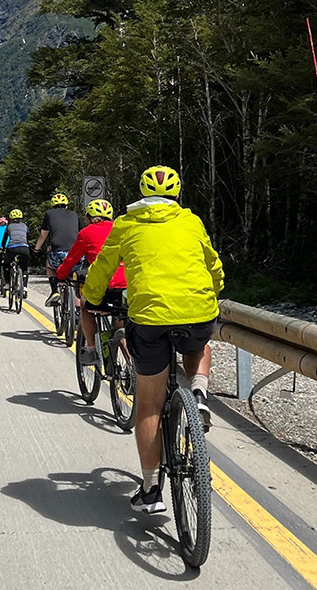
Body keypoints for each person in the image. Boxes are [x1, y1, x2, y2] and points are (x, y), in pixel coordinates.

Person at [82, 165, 223, 514]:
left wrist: (93, 298)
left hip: (149, 321)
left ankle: (151, 489)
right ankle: (200, 392)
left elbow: (102, 268)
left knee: (148, 404)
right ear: (177, 194)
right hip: (197, 310)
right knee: (199, 343)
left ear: (143, 194)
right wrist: (216, 288)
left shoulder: (126, 224)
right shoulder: (191, 222)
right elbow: (212, 263)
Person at [56, 199, 126, 365]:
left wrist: (60, 275)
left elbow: (71, 260)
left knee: (85, 306)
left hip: (103, 284)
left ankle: (92, 348)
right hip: (127, 283)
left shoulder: (86, 233)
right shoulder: (123, 230)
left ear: (88, 217)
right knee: (120, 312)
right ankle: (120, 345)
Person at [34, 193, 84, 306]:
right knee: (74, 279)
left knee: (49, 266)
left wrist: (36, 250)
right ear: (66, 205)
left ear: (53, 205)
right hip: (75, 254)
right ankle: (76, 310)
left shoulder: (49, 214)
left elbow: (43, 235)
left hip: (58, 252)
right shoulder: (75, 215)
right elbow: (82, 233)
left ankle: (54, 291)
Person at [2, 209, 31, 296]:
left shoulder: (9, 226)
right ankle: (25, 287)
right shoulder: (25, 226)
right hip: (24, 248)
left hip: (12, 248)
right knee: (25, 268)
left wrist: (3, 248)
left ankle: (7, 283)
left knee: (6, 264)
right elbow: (27, 237)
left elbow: (4, 239)